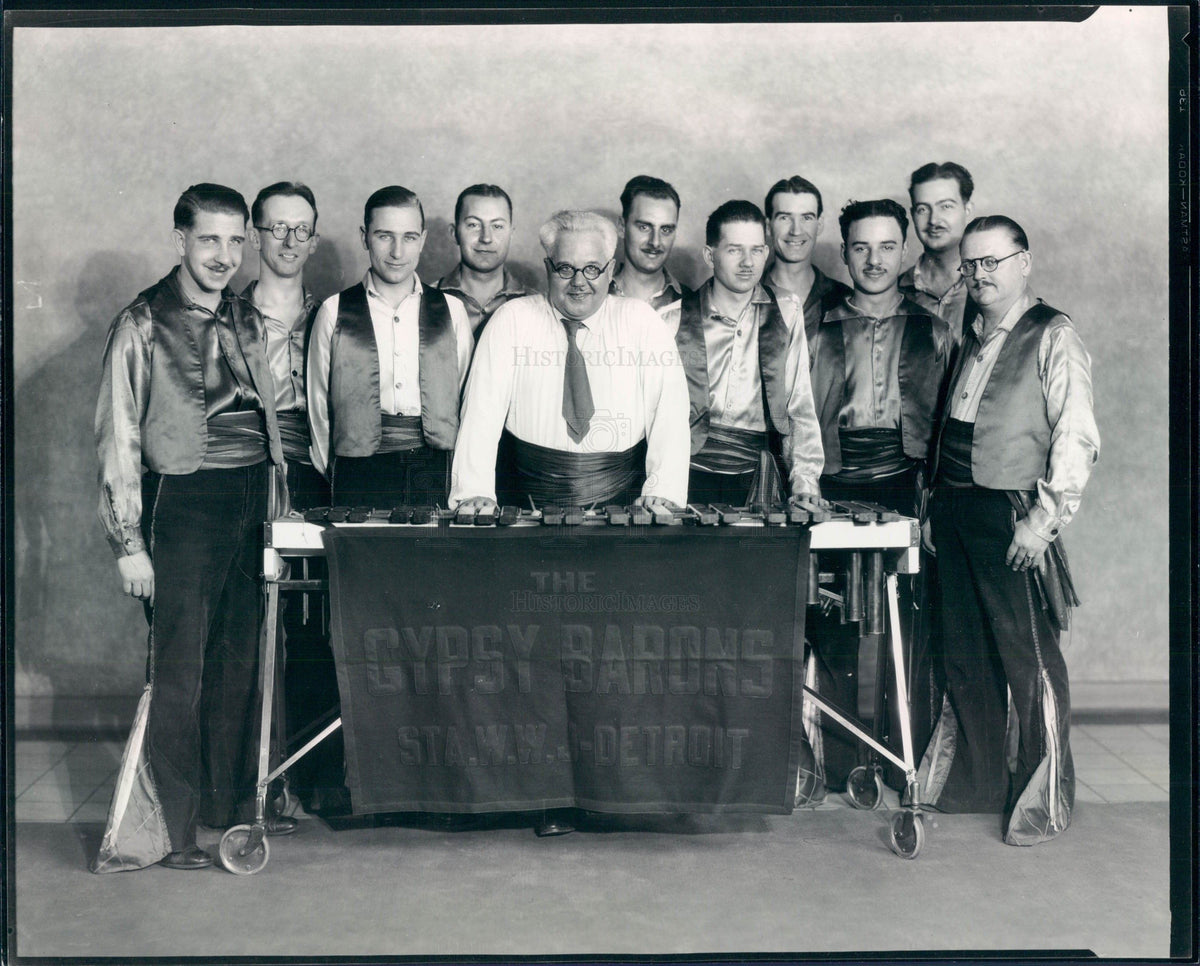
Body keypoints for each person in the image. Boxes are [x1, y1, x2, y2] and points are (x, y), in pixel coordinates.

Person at [450, 209, 689, 835]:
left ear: (612, 268)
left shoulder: (642, 324)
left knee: (612, 659)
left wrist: (662, 501)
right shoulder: (511, 322)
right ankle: (548, 795)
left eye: (593, 269)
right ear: (546, 265)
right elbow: (478, 419)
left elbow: (669, 419)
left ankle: (615, 792)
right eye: (564, 268)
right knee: (538, 664)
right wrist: (472, 496)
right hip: (533, 512)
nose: (579, 281)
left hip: (622, 514)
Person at [95, 183, 283, 869]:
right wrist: (129, 545)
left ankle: (224, 810)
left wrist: (276, 512)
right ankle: (174, 835)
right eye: (210, 239)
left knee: (237, 663)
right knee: (181, 671)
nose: (225, 255)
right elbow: (117, 438)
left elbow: (269, 427)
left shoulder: (247, 317)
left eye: (237, 241)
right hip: (184, 505)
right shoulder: (142, 322)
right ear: (180, 239)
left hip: (250, 500)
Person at [921, 215, 1099, 845]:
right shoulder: (968, 334)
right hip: (955, 509)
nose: (980, 275)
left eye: (993, 262)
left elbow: (1076, 437)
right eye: (970, 265)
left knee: (1028, 658)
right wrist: (933, 507)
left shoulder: (1054, 333)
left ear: (1024, 262)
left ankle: (1044, 799)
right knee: (964, 656)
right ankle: (974, 785)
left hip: (1011, 516)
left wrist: (1042, 522)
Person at [805, 199, 951, 799]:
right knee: (836, 624)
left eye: (887, 246)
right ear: (844, 252)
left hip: (906, 482)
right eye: (860, 247)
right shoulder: (818, 324)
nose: (873, 259)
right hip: (836, 483)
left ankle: (900, 758)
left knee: (906, 627)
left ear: (904, 251)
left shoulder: (932, 329)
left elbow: (945, 427)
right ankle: (842, 762)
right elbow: (800, 416)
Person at [243, 181, 334, 821]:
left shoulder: (335, 315)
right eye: (277, 227)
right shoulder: (227, 317)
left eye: (302, 229)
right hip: (246, 478)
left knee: (309, 632)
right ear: (255, 232)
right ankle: (246, 782)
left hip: (315, 478)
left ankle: (306, 781)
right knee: (249, 630)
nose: (290, 241)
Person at [307, 185, 473, 508]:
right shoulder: (334, 310)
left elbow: (466, 400)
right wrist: (339, 472)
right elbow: (318, 410)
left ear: (423, 240)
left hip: (435, 470)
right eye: (384, 236)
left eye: (409, 237)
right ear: (364, 237)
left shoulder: (451, 311)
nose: (398, 251)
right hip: (358, 473)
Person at [675, 199, 823, 507]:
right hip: (687, 473)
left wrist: (805, 480)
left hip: (756, 477)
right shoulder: (673, 317)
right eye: (734, 250)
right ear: (709, 255)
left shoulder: (786, 310)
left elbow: (800, 406)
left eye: (756, 250)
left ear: (766, 253)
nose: (747, 262)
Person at [762, 175, 851, 346]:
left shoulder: (845, 300)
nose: (796, 230)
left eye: (806, 218)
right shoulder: (745, 296)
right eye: (785, 217)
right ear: (768, 226)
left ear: (819, 224)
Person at [437, 183, 528, 339]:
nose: (486, 238)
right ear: (454, 233)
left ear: (511, 234)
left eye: (497, 226)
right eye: (473, 225)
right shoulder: (425, 301)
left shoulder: (535, 305)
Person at [899, 162, 976, 345]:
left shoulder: (991, 284)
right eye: (923, 209)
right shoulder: (893, 290)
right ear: (913, 215)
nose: (934, 220)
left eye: (946, 206)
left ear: (967, 210)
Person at [610, 175, 687, 330]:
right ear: (622, 227)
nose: (655, 242)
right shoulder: (593, 295)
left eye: (666, 230)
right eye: (644, 227)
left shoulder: (694, 304)